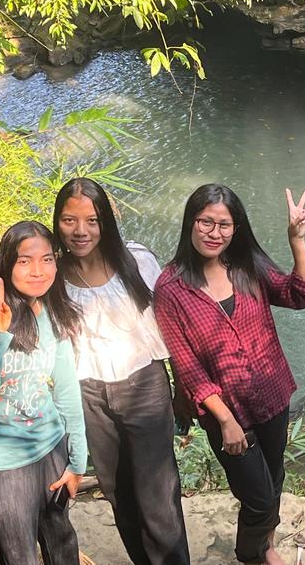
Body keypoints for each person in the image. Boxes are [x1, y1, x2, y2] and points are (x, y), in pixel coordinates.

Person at [154, 184, 305, 565]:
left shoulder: (248, 266)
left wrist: (296, 240)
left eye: (224, 225)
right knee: (258, 497)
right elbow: (187, 366)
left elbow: (303, 294)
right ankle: (250, 555)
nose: (215, 233)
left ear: (236, 228)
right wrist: (226, 421)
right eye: (206, 222)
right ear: (191, 223)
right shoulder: (171, 288)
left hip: (272, 394)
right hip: (225, 412)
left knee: (274, 480)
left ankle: (267, 546)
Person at [52, 178, 190, 565]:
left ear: (106, 222)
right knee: (119, 495)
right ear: (57, 223)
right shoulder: (55, 278)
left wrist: (183, 390)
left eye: (92, 220)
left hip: (144, 385)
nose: (81, 231)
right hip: (89, 395)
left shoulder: (136, 261)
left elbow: (169, 326)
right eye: (69, 220)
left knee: (158, 496)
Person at [0, 220, 86, 565]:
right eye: (25, 261)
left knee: (63, 547)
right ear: (7, 264)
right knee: (19, 557)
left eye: (47, 260)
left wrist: (77, 460)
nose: (38, 271)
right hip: (2, 467)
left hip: (50, 451)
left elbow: (67, 390)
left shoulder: (52, 311)